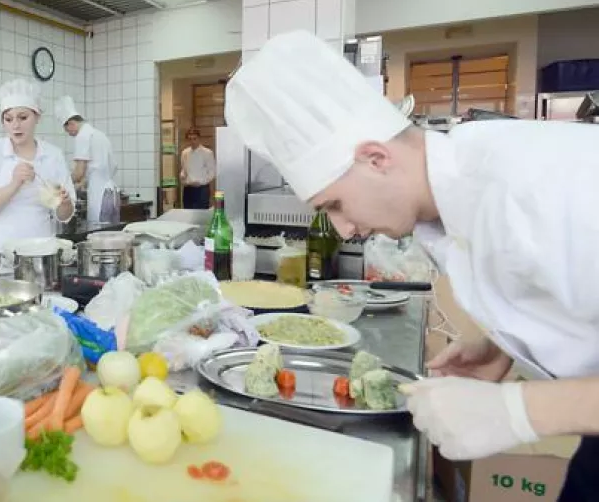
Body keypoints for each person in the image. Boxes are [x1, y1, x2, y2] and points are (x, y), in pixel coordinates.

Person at [225, 29, 599, 501]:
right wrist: (507, 340)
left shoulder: (540, 186)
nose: (342, 229)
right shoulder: (460, 183)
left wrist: (519, 411)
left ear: (376, 158)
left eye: (336, 203)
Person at [0, 79, 76, 255]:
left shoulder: (53, 155)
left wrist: (64, 202)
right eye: (8, 119)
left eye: (23, 117)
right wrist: (14, 184)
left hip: (40, 254)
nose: (15, 125)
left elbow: (64, 216)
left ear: (37, 117)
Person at [54, 96, 119, 223]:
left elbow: (79, 173)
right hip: (112, 194)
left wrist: (63, 183)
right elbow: (108, 167)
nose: (69, 134)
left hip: (99, 196)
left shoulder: (82, 136)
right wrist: (81, 184)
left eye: (67, 130)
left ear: (71, 123)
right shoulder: (99, 134)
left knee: (99, 236)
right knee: (113, 234)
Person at [179, 128, 215, 209]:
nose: (192, 141)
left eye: (194, 138)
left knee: (201, 215)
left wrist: (201, 182)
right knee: (187, 214)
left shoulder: (207, 153)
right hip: (188, 189)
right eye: (190, 139)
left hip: (202, 189)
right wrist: (182, 176)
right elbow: (183, 170)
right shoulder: (184, 153)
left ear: (199, 138)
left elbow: (212, 173)